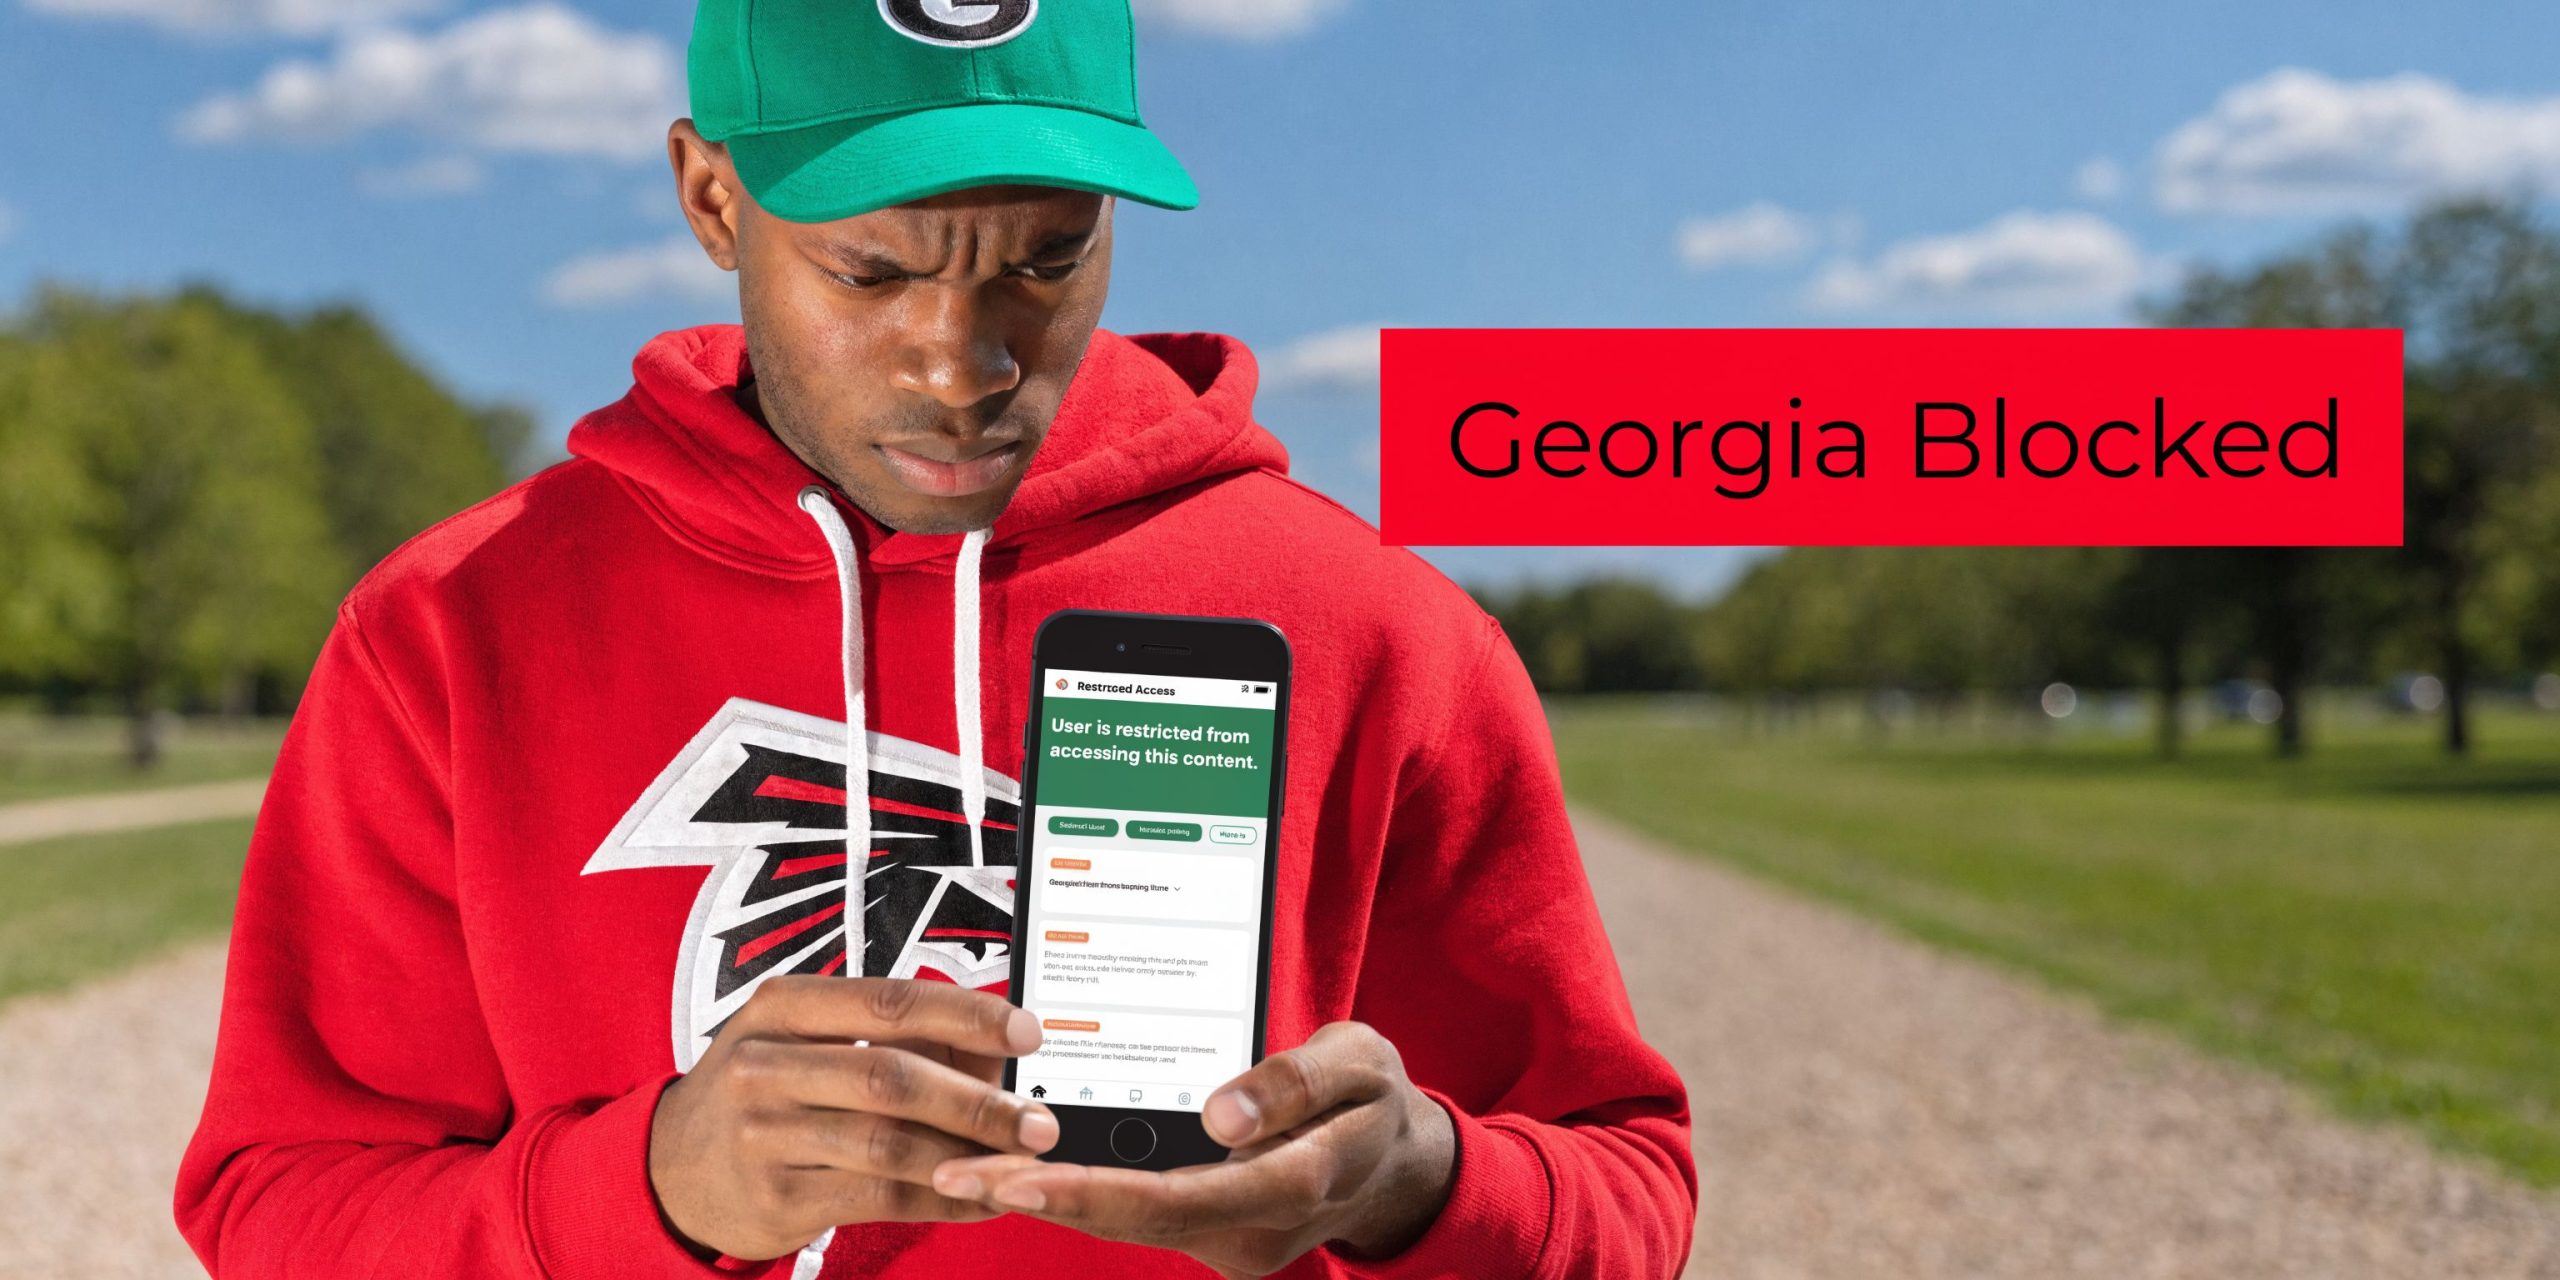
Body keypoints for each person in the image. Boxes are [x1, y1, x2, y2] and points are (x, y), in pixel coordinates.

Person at [174, 1, 1696, 1275]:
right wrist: (646, 1194)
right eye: (874, 270)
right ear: (712, 198)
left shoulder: (1379, 629)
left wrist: (1421, 1183)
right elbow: (279, 1206)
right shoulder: (452, 630)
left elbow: (1625, 1193)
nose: (965, 363)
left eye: (1045, 257)